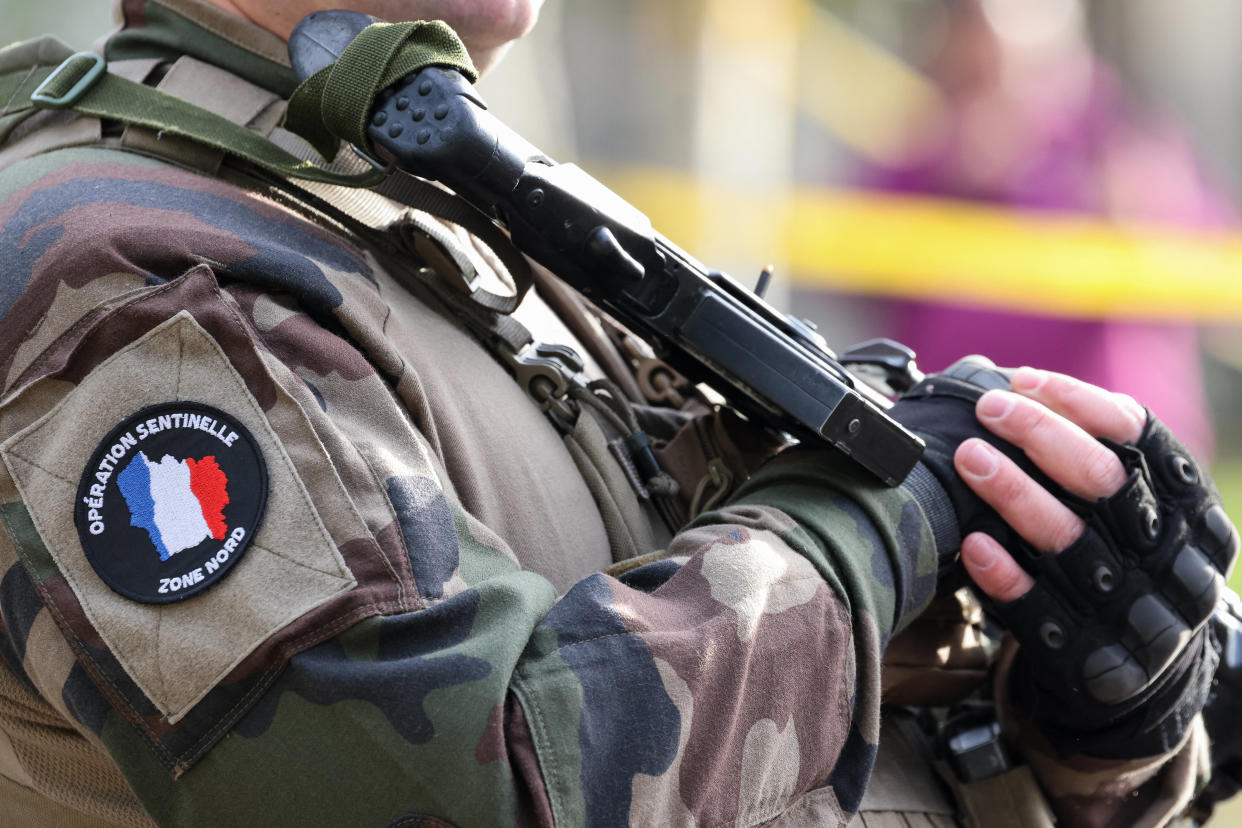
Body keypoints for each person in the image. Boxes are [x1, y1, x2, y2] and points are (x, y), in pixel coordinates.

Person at [0, 1, 1229, 826]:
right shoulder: (133, 275)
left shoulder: (428, 201)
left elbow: (789, 743)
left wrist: (1087, 717)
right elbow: (464, 793)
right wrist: (869, 528)